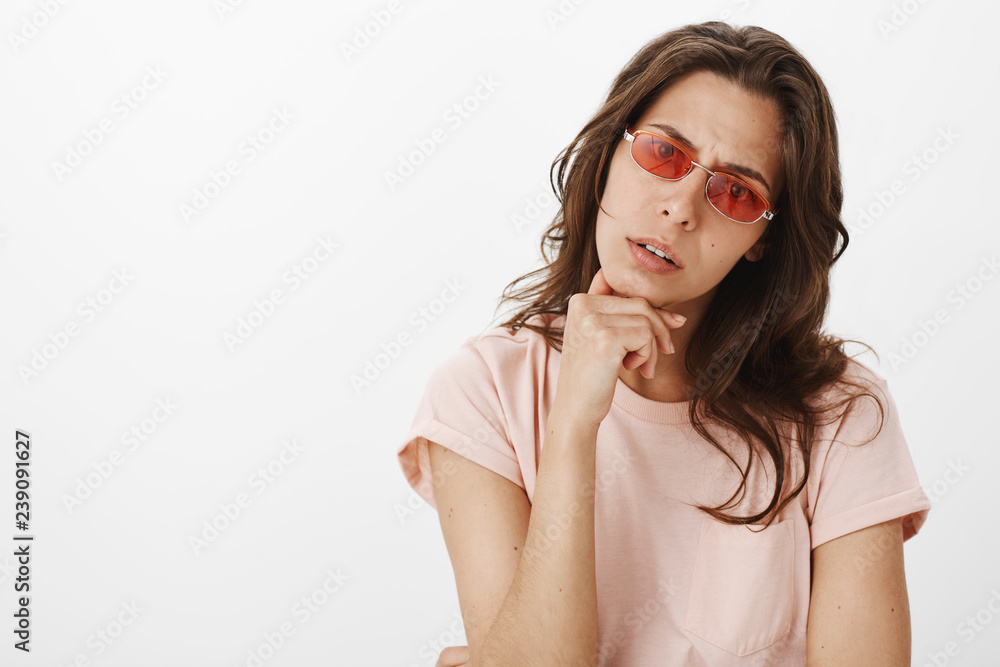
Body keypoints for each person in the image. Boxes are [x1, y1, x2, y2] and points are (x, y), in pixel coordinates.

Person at [397, 20, 931, 667]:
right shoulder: (483, 392)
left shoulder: (844, 418)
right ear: (609, 155)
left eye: (736, 191)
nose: (681, 207)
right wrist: (572, 425)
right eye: (663, 153)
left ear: (762, 239)